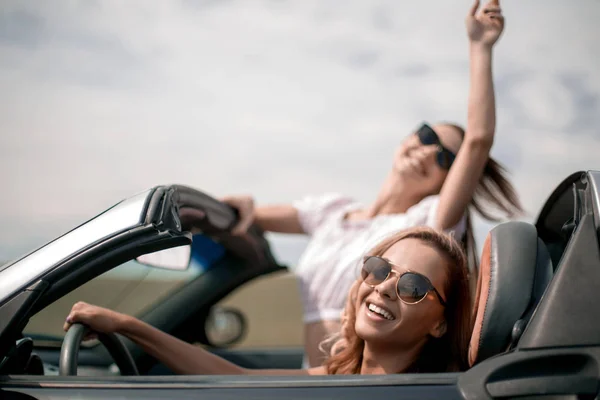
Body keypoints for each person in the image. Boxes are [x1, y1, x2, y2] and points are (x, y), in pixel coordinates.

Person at [220, 0, 521, 367]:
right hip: (316, 378)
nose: (427, 151)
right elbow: (239, 214)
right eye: (426, 135)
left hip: (367, 381)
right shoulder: (331, 212)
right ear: (405, 138)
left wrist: (480, 46)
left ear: (449, 179)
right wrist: (238, 205)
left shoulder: (426, 225)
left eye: (444, 157)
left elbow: (478, 140)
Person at [65, 227, 472, 375]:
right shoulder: (341, 380)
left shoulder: (425, 392)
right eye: (381, 269)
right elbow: (234, 379)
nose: (383, 287)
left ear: (441, 322)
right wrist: (125, 324)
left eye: (413, 287)